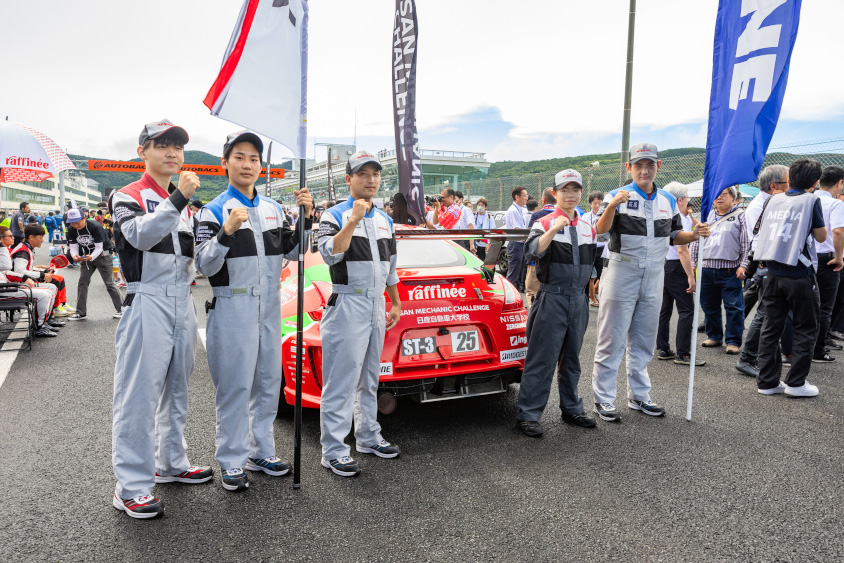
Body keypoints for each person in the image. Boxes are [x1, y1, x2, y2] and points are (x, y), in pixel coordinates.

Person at [195, 130, 314, 492]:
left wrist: (306, 218)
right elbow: (204, 264)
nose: (247, 164)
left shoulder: (274, 209)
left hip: (270, 304)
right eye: (240, 157)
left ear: (261, 167)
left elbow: (295, 252)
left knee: (267, 381)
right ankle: (231, 460)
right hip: (233, 304)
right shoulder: (212, 210)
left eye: (254, 159)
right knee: (235, 385)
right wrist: (226, 232)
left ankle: (261, 451)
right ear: (225, 163)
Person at [109, 119, 212, 520]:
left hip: (182, 301)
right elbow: (139, 237)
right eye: (162, 145)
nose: (172, 152)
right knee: (138, 394)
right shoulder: (128, 194)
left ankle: (171, 462)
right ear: (143, 152)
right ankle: (131, 486)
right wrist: (177, 201)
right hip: (146, 300)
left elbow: (192, 259)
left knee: (177, 388)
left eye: (178, 147)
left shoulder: (182, 204)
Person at [592, 143, 709, 422]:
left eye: (650, 165)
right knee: (612, 338)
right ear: (629, 167)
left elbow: (674, 235)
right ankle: (604, 399)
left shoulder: (668, 200)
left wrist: (694, 235)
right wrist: (614, 205)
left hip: (654, 274)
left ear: (658, 166)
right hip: (622, 271)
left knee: (644, 339)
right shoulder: (616, 195)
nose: (644, 170)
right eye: (638, 165)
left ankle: (639, 396)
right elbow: (600, 231)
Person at [317, 150, 401, 477]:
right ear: (348, 179)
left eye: (375, 174)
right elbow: (330, 254)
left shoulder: (385, 220)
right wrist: (352, 219)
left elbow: (390, 267)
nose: (371, 180)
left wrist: (395, 302)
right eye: (363, 174)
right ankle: (334, 450)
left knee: (369, 377)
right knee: (341, 380)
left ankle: (368, 436)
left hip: (376, 304)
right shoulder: (333, 215)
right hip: (347, 302)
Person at [516, 170, 597, 436]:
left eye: (575, 190)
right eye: (565, 190)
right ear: (555, 192)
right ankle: (528, 414)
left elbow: (594, 263)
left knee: (572, 358)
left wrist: (591, 289)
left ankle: (572, 408)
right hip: (552, 297)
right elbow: (532, 252)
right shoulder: (544, 222)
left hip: (579, 298)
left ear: (581, 193)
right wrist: (553, 229)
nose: (570, 195)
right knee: (542, 358)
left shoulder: (588, 228)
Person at [753, 159, 826, 398]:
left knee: (770, 327)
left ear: (790, 178)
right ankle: (796, 383)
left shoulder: (774, 199)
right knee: (806, 327)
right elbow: (821, 236)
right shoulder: (811, 200)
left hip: (771, 271)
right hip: (799, 272)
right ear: (815, 183)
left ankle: (767, 382)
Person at [735, 165, 790, 377]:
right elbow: (761, 239)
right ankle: (747, 358)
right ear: (775, 186)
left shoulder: (767, 202)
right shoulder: (765, 205)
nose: (790, 187)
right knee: (765, 313)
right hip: (765, 263)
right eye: (787, 183)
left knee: (768, 312)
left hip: (764, 262)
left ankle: (755, 356)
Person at [691, 186, 749, 355]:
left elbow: (746, 243)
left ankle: (733, 341)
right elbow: (695, 240)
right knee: (709, 305)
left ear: (733, 198)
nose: (719, 198)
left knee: (734, 307)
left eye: (724, 195)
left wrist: (744, 264)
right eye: (716, 195)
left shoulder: (740, 216)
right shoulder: (706, 215)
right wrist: (693, 262)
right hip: (706, 268)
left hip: (730, 270)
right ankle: (714, 336)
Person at [655, 182, 702, 366]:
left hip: (664, 265)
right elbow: (683, 250)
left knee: (665, 309)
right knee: (686, 310)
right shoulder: (678, 219)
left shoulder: (663, 216)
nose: (688, 202)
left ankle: (663, 347)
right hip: (677, 266)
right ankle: (684, 353)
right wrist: (691, 276)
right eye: (687, 198)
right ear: (679, 200)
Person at [0, 226, 64, 336]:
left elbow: (10, 270)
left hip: (10, 285)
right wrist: (41, 275)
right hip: (8, 288)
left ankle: (45, 321)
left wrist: (41, 271)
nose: (13, 237)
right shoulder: (21, 250)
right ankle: (40, 326)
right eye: (10, 236)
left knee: (52, 287)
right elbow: (15, 270)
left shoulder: (22, 248)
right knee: (45, 293)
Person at [64, 208, 124, 321]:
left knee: (109, 283)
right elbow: (73, 247)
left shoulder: (95, 226)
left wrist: (91, 257)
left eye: (77, 222)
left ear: (84, 218)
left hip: (103, 255)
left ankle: (122, 309)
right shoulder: (71, 229)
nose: (75, 225)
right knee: (82, 283)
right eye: (72, 222)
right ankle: (81, 313)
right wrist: (75, 256)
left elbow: (99, 247)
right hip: (86, 256)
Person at [811, 165, 844, 362]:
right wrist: (839, 257)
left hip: (806, 257)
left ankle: (794, 346)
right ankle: (818, 350)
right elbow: (838, 232)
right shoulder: (836, 204)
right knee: (825, 307)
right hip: (827, 258)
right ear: (839, 183)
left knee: (805, 305)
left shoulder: (808, 198)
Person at [9, 223, 73, 318]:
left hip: (25, 280)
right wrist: (42, 275)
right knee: (54, 280)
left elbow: (25, 268)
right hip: (20, 283)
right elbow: (19, 272)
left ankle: (62, 304)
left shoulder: (26, 248)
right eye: (41, 237)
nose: (43, 240)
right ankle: (55, 308)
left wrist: (41, 269)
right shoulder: (23, 251)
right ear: (31, 237)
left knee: (59, 277)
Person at [524, 188, 557, 308]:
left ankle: (533, 321)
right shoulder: (563, 215)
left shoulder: (537, 215)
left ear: (543, 200)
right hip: (556, 261)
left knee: (532, 292)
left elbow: (529, 238)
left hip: (536, 261)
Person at [580, 191, 606, 307]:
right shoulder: (585, 217)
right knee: (587, 274)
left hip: (602, 248)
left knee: (603, 275)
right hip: (589, 248)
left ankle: (602, 299)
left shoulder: (606, 215)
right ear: (590, 204)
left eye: (600, 203)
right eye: (595, 203)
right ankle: (586, 299)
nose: (597, 206)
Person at [505, 186, 529, 292]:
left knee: (519, 274)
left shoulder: (519, 210)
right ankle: (510, 300)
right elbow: (517, 230)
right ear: (517, 197)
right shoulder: (513, 211)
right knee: (514, 275)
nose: (526, 198)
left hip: (519, 244)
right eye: (524, 195)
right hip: (516, 244)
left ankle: (516, 300)